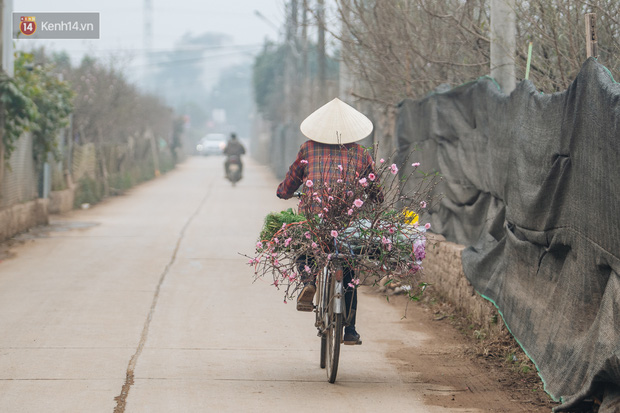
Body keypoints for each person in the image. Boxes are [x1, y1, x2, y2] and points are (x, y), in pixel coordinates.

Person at [276, 98, 382, 346]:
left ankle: (308, 282)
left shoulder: (308, 149)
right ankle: (351, 331)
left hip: (315, 217)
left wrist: (284, 192)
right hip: (347, 223)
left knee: (305, 248)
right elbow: (376, 190)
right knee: (348, 273)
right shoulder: (360, 153)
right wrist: (374, 198)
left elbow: (292, 180)